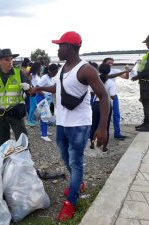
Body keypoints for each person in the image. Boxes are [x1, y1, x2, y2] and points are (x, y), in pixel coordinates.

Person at [28, 31, 109, 221]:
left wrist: (102, 126)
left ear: (68, 47)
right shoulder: (64, 68)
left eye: (59, 45)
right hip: (62, 123)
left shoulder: (86, 69)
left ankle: (71, 203)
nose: (57, 49)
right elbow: (59, 88)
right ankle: (77, 183)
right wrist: (39, 88)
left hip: (79, 125)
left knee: (75, 162)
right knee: (65, 157)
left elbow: (104, 96)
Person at [0, 49, 34, 145]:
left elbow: (32, 92)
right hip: (0, 116)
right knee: (3, 144)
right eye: (7, 60)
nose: (10, 62)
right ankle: (6, 160)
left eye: (11, 59)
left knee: (23, 142)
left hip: (16, 114)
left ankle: (25, 158)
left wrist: (28, 88)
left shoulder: (19, 73)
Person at [102, 57, 130, 140]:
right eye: (108, 63)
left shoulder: (115, 71)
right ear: (104, 63)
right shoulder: (101, 71)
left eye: (111, 63)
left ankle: (117, 133)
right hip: (103, 95)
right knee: (102, 115)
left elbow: (126, 77)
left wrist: (127, 71)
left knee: (116, 114)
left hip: (113, 94)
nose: (110, 65)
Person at [90, 64, 116, 152]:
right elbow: (112, 97)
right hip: (106, 105)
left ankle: (92, 143)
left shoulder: (95, 81)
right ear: (109, 71)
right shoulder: (111, 83)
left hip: (96, 104)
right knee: (105, 126)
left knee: (94, 125)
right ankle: (104, 146)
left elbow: (91, 94)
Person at [36, 64, 58, 141]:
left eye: (56, 73)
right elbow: (37, 88)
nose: (55, 74)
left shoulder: (51, 78)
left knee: (47, 114)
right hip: (42, 97)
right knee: (44, 115)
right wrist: (45, 95)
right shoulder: (44, 78)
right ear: (49, 71)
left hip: (48, 98)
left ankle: (45, 131)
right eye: (54, 73)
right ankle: (43, 134)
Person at [132, 35, 149, 131]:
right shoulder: (148, 53)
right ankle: (146, 122)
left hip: (147, 83)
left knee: (146, 103)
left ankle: (147, 125)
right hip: (145, 83)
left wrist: (136, 76)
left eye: (147, 42)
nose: (146, 44)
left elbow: (147, 69)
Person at [26, 62, 41, 126]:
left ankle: (31, 119)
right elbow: (28, 83)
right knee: (34, 106)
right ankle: (29, 120)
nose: (41, 68)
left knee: (33, 105)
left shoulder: (38, 75)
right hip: (32, 92)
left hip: (37, 92)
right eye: (40, 66)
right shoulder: (31, 75)